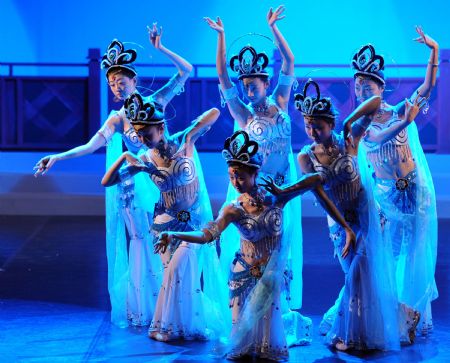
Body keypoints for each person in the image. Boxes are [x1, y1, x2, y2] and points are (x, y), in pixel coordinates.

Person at [33, 24, 193, 327]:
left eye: (121, 81)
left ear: (134, 80)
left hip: (163, 182)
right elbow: (91, 145)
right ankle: (144, 308)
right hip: (135, 186)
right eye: (112, 84)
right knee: (139, 242)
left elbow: (186, 70)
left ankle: (173, 304)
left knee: (166, 242)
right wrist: (58, 157)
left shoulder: (156, 103)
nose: (117, 88)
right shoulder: (118, 118)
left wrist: (160, 48)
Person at [154, 130, 354, 360]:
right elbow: (208, 235)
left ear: (255, 173)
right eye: (231, 176)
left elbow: (315, 182)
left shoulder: (276, 197)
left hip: (270, 277)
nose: (235, 182)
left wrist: (344, 226)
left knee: (267, 350)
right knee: (240, 348)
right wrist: (175, 234)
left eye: (240, 176)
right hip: (243, 277)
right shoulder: (233, 208)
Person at [205, 6, 310, 344]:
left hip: (282, 193)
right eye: (245, 85)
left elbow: (290, 63)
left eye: (254, 85)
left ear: (266, 82)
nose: (249, 90)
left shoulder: (280, 100)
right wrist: (222, 38)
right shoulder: (241, 112)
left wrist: (273, 30)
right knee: (251, 254)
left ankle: (275, 320)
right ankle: (248, 318)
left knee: (281, 253)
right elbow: (222, 77)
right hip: (253, 195)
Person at [296, 79, 420, 351]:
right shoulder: (305, 157)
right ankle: (402, 317)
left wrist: (350, 120)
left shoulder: (350, 140)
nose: (313, 131)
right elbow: (323, 198)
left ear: (331, 123)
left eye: (318, 126)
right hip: (340, 224)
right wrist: (346, 230)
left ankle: (351, 334)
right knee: (362, 278)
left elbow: (374, 103)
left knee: (360, 273)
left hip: (369, 218)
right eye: (308, 125)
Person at [102, 92, 227, 342]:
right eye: (139, 135)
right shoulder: (145, 159)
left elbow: (215, 113)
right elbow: (107, 181)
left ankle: (172, 325)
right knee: (175, 274)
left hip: (192, 224)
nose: (143, 140)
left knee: (183, 273)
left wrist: (193, 129)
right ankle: (180, 327)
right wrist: (126, 158)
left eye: (147, 134)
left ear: (161, 128)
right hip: (164, 227)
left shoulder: (184, 141)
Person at [350, 26, 438, 336]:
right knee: (388, 253)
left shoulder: (399, 109)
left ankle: (413, 312)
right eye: (357, 86)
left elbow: (426, 88)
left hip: (413, 193)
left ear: (380, 87)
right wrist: (404, 122)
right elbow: (377, 138)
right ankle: (393, 314)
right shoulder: (360, 126)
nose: (361, 91)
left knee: (414, 253)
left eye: (367, 85)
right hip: (385, 198)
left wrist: (434, 51)